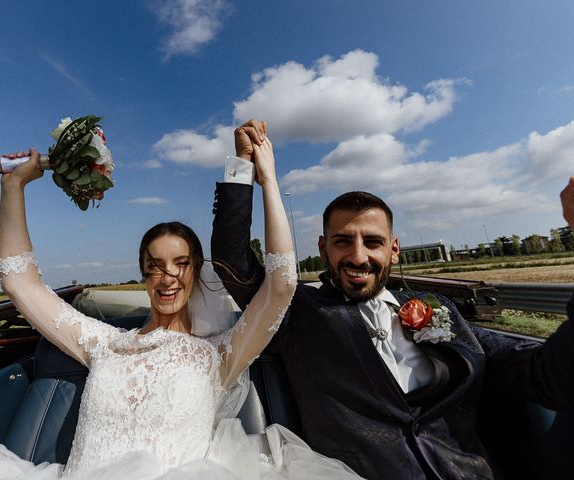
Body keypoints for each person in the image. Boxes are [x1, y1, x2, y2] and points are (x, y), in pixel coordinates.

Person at [0, 140, 364, 480]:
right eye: (155, 265)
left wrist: (266, 179)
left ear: (195, 272)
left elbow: (282, 282)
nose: (168, 276)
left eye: (181, 264)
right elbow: (18, 280)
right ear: (143, 273)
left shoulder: (220, 355)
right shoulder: (102, 344)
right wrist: (13, 188)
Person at [211, 118, 574, 480]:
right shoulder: (299, 312)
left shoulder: (443, 310)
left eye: (372, 242)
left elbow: (549, 376)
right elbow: (233, 262)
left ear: (394, 249)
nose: (357, 256)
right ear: (323, 249)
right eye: (342, 241)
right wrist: (244, 168)